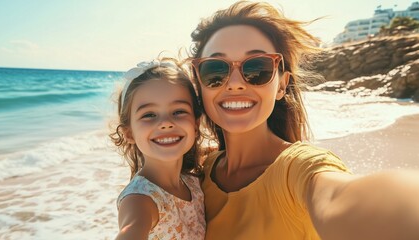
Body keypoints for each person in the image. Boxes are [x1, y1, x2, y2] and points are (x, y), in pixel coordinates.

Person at [189, 1, 419, 239]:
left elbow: (342, 199)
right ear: (199, 83)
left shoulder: (300, 169)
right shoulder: (202, 171)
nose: (235, 83)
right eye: (215, 70)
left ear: (282, 85)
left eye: (257, 68)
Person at [110, 57, 206, 239]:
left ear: (195, 124)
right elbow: (131, 230)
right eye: (149, 114)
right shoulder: (140, 199)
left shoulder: (192, 182)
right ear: (129, 133)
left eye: (178, 111)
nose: (166, 123)